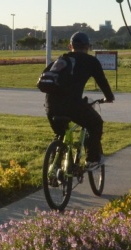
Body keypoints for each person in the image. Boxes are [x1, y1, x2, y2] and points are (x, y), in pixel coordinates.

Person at [43, 32, 115, 167]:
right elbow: (102, 82)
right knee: (95, 124)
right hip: (72, 105)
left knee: (60, 133)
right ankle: (92, 159)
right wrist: (109, 97)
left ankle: (54, 167)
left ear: (70, 46)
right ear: (87, 46)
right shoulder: (91, 61)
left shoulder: (60, 60)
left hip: (51, 105)